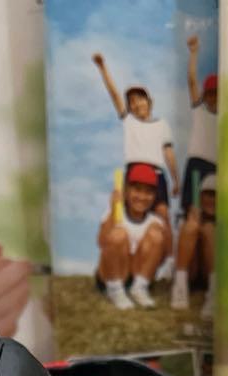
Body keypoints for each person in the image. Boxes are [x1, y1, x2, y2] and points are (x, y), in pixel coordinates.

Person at [91, 52, 178, 228]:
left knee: (162, 216)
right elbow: (114, 94)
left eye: (140, 99)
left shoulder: (162, 124)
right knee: (122, 217)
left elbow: (168, 153)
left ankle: (165, 245)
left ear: (149, 102)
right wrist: (102, 68)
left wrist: (176, 180)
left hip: (157, 173)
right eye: (132, 101)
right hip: (134, 171)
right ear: (129, 107)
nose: (137, 104)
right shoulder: (129, 121)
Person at [96, 163, 169, 311]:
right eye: (137, 189)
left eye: (148, 192)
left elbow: (162, 258)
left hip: (136, 275)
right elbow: (102, 243)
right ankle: (115, 290)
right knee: (118, 234)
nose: (142, 197)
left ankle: (139, 288)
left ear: (154, 196)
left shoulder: (155, 221)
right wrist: (113, 211)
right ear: (126, 191)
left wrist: (161, 234)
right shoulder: (114, 213)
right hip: (112, 273)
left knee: (156, 235)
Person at [181, 35, 217, 216]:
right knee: (193, 211)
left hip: (217, 168)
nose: (215, 97)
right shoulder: (199, 110)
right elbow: (192, 80)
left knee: (212, 217)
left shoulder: (227, 119)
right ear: (205, 96)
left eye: (218, 93)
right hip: (197, 165)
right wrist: (194, 53)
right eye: (211, 94)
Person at [171, 172, 215, 319]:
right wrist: (194, 222)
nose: (212, 200)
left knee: (209, 230)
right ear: (200, 196)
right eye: (208, 194)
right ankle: (179, 288)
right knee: (190, 227)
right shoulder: (189, 215)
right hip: (192, 271)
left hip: (212, 273)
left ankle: (215, 292)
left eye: (217, 195)